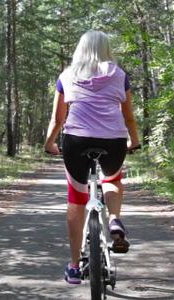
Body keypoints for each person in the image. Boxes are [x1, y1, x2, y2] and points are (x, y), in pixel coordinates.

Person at [43, 30, 140, 285]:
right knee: (112, 179)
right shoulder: (119, 75)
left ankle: (74, 267)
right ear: (106, 49)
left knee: (76, 198)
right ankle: (114, 219)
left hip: (76, 140)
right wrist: (135, 141)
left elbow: (57, 119)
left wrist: (49, 143)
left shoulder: (66, 75)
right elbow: (128, 116)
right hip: (114, 139)